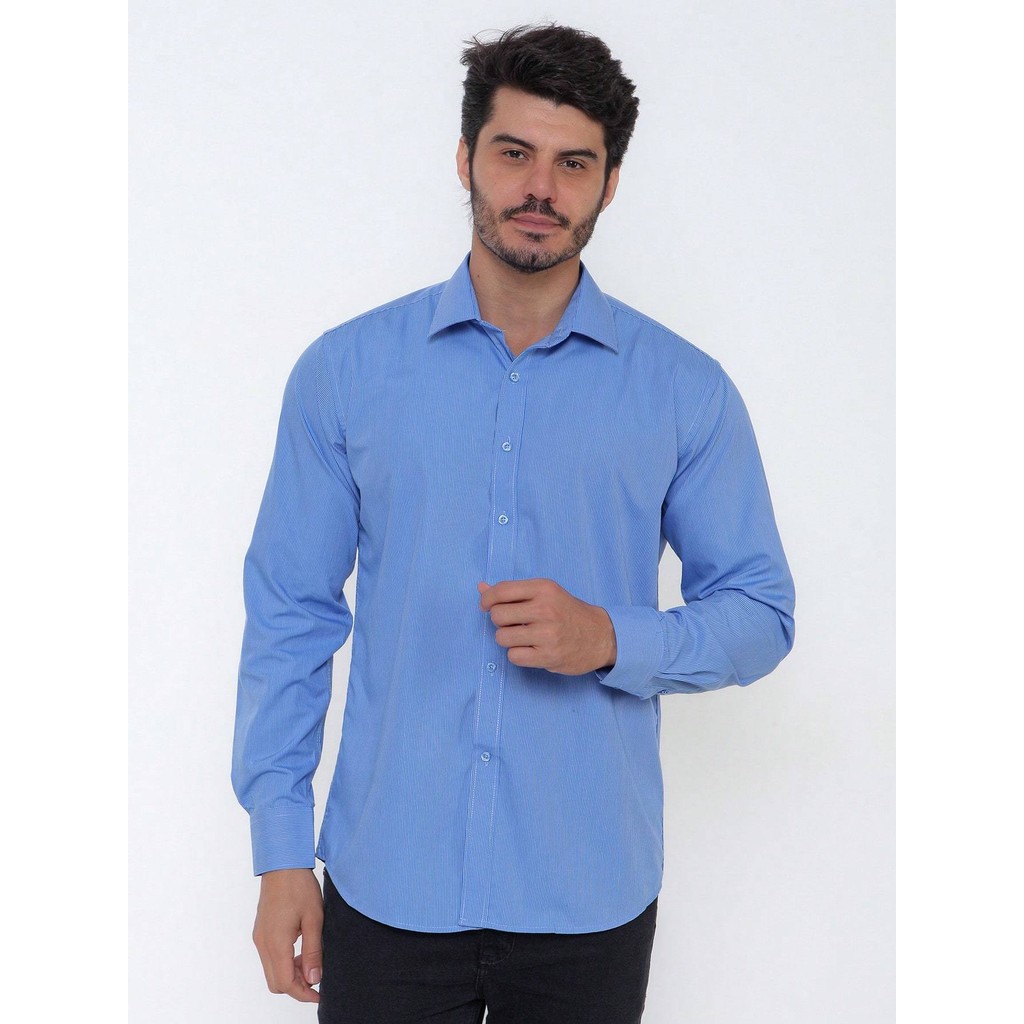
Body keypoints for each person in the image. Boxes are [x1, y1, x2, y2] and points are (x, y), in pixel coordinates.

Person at [232, 23, 795, 1024]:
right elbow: (291, 616)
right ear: (465, 159)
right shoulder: (346, 374)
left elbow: (761, 610)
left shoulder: (684, 391)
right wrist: (281, 852)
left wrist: (611, 637)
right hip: (387, 882)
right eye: (514, 152)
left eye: (573, 163)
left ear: (609, 183)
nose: (541, 187)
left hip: (589, 893)